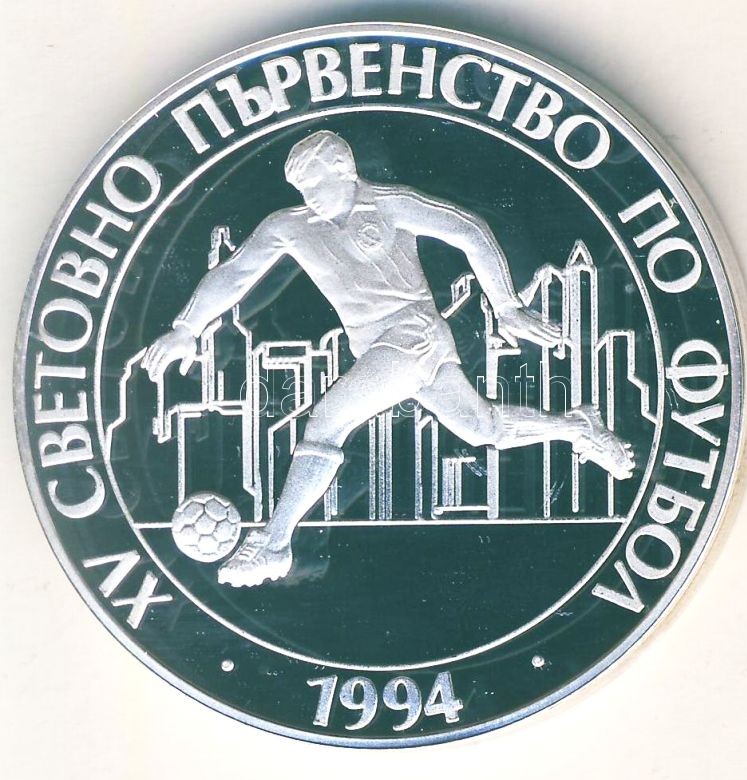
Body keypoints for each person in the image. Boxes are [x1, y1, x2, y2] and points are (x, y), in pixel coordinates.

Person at [142, 130, 634, 587]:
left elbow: (469, 230)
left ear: (344, 168)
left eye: (315, 182)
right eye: (301, 188)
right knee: (482, 428)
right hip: (385, 346)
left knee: (327, 422)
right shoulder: (289, 227)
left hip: (411, 336)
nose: (309, 196)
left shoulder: (390, 204)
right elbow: (235, 273)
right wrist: (186, 328)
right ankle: (578, 427)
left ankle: (274, 544)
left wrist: (506, 307)